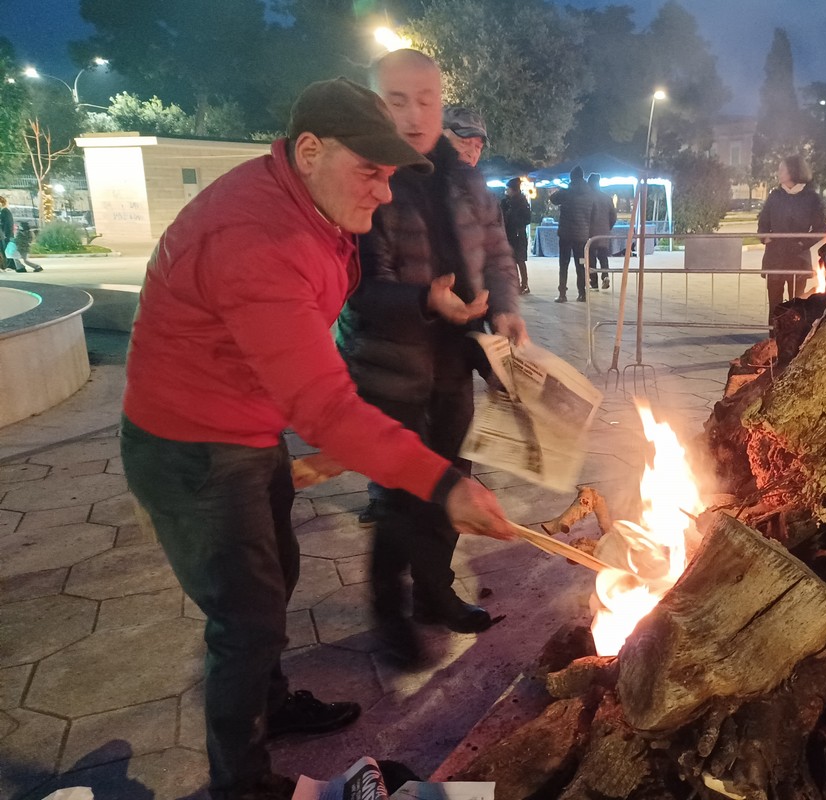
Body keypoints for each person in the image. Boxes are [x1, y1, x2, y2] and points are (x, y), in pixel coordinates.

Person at [119, 77, 513, 800]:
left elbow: (315, 360)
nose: (384, 194)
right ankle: (242, 784)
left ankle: (269, 705)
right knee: (246, 619)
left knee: (278, 572)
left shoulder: (314, 207)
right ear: (309, 151)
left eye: (390, 176)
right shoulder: (256, 237)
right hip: (191, 447)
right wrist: (441, 483)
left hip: (245, 424)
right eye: (370, 173)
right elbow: (323, 404)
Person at [336, 49, 527, 658]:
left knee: (451, 480)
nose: (415, 115)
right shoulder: (365, 179)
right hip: (391, 365)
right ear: (375, 105)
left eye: (426, 100)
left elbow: (497, 253)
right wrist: (426, 300)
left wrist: (505, 307)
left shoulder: (465, 178)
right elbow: (359, 288)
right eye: (397, 101)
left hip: (454, 360)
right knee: (400, 492)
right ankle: (389, 611)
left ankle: (434, 592)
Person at [757, 155, 826, 326]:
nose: (778, 172)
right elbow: (763, 222)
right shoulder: (775, 196)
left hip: (798, 259)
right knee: (775, 306)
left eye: (782, 169)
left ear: (793, 171)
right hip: (775, 258)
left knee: (796, 306)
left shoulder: (811, 198)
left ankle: (793, 339)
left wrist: (802, 244)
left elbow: (820, 228)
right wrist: (764, 237)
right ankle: (773, 337)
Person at [548, 165, 592, 302]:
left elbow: (553, 199)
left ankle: (562, 293)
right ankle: (582, 293)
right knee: (581, 264)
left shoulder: (567, 192)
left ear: (571, 178)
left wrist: (565, 187)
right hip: (582, 234)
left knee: (564, 264)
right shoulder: (589, 193)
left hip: (566, 233)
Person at [500, 177, 532, 294]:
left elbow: (527, 219)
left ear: (514, 189)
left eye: (508, 189)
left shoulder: (522, 202)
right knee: (512, 260)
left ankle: (524, 284)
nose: (506, 191)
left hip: (518, 235)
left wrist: (515, 220)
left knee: (520, 260)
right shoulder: (506, 202)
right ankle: (515, 284)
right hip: (509, 234)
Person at [586, 173, 616, 291]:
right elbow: (613, 216)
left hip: (590, 232)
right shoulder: (607, 198)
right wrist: (608, 227)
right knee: (603, 256)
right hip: (604, 232)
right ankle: (605, 276)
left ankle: (594, 283)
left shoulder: (587, 197)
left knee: (591, 257)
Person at [0, 197, 15, 271]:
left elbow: (8, 224)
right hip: (3, 235)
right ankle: (4, 265)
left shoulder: (5, 211)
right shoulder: (2, 211)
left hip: (5, 235)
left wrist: (7, 235)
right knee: (3, 250)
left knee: (7, 250)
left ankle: (11, 265)